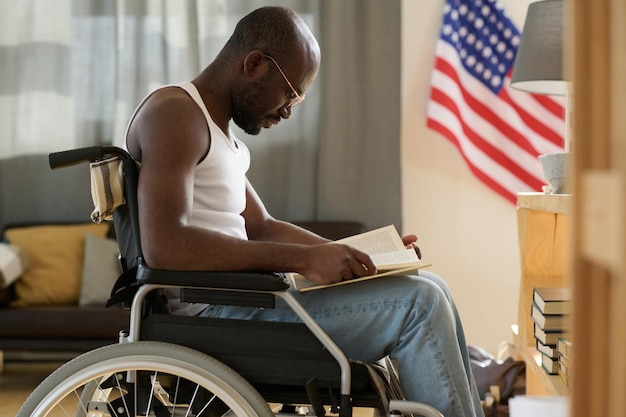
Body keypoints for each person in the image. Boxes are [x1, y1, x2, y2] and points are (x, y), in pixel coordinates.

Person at [124, 6, 484, 417]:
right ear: (255, 63)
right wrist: (304, 259)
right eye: (289, 93)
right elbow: (165, 246)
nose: (288, 110)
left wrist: (361, 255)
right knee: (422, 305)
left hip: (247, 302)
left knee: (433, 287)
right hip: (217, 314)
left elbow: (260, 227)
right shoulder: (175, 114)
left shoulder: (212, 129)